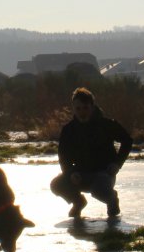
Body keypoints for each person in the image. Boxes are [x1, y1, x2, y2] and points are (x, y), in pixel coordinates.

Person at [50, 87, 132, 219]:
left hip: (103, 174)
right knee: (56, 184)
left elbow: (127, 141)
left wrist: (117, 163)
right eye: (78, 109)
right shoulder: (69, 130)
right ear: (74, 109)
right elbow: (63, 156)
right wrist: (70, 172)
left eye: (85, 108)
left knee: (99, 190)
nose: (82, 112)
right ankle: (78, 202)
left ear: (92, 107)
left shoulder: (106, 125)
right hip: (80, 174)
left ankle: (112, 200)